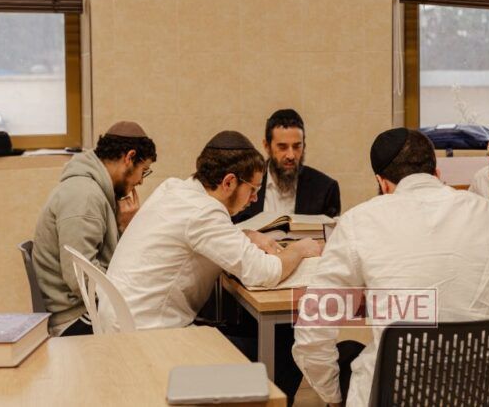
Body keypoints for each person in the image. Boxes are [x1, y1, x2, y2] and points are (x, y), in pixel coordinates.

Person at [293, 128, 489, 406]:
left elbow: (312, 332)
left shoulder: (359, 221)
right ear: (436, 172)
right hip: (482, 395)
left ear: (382, 184)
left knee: (350, 352)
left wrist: (333, 396)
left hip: (394, 396)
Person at [97, 131, 321, 404]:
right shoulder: (205, 212)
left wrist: (246, 235)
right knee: (287, 340)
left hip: (125, 326)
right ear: (229, 182)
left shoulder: (175, 189)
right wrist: (299, 249)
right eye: (252, 189)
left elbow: (204, 234)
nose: (254, 198)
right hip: (153, 341)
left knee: (258, 330)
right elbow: (265, 272)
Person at [32, 121, 156, 336]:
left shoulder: (92, 190)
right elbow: (80, 278)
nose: (140, 182)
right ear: (129, 157)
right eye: (143, 171)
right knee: (162, 324)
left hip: (85, 308)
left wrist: (123, 226)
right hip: (75, 317)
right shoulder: (84, 196)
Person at [232, 109, 340, 223]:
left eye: (297, 146)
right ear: (267, 146)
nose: (291, 155)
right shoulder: (243, 183)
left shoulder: (325, 189)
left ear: (304, 146)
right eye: (282, 147)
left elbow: (331, 233)